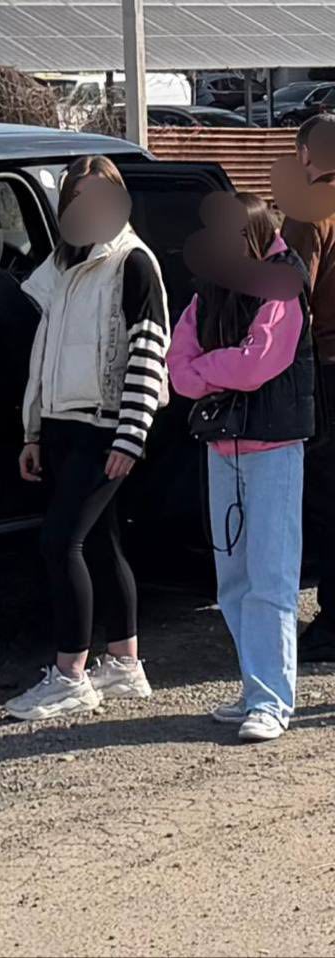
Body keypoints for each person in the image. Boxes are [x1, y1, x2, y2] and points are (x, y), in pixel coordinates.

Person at [6, 155, 169, 722]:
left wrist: (131, 436)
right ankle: (124, 663)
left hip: (105, 427)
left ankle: (70, 674)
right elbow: (44, 357)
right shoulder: (63, 266)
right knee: (100, 541)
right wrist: (33, 430)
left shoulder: (132, 262)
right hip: (62, 425)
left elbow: (150, 350)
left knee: (61, 542)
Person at [169, 192, 316, 741]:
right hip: (223, 446)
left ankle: (272, 701)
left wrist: (205, 369)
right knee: (232, 580)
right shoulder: (211, 284)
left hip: (274, 448)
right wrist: (215, 369)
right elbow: (176, 368)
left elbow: (259, 364)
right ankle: (256, 686)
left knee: (271, 577)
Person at [281, 114, 335, 663]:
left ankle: (333, 623)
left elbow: (292, 296)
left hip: (327, 366)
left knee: (327, 496)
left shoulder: (309, 209)